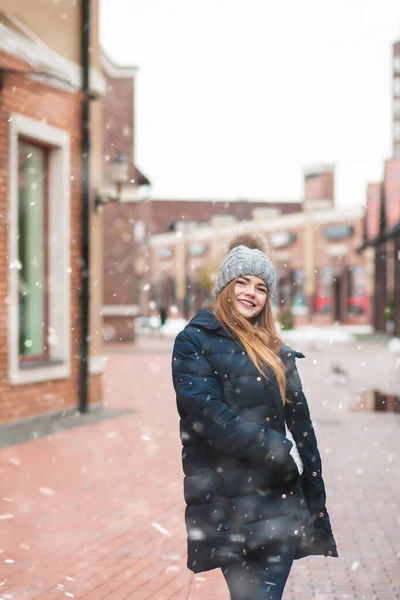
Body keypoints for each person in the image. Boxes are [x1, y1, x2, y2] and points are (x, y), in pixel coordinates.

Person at [171, 231, 338, 600]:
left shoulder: (274, 349)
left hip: (279, 502)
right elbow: (207, 416)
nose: (251, 293)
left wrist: (308, 487)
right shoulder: (194, 342)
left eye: (261, 287)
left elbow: (301, 428)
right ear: (225, 286)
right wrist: (277, 448)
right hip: (231, 506)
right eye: (242, 282)